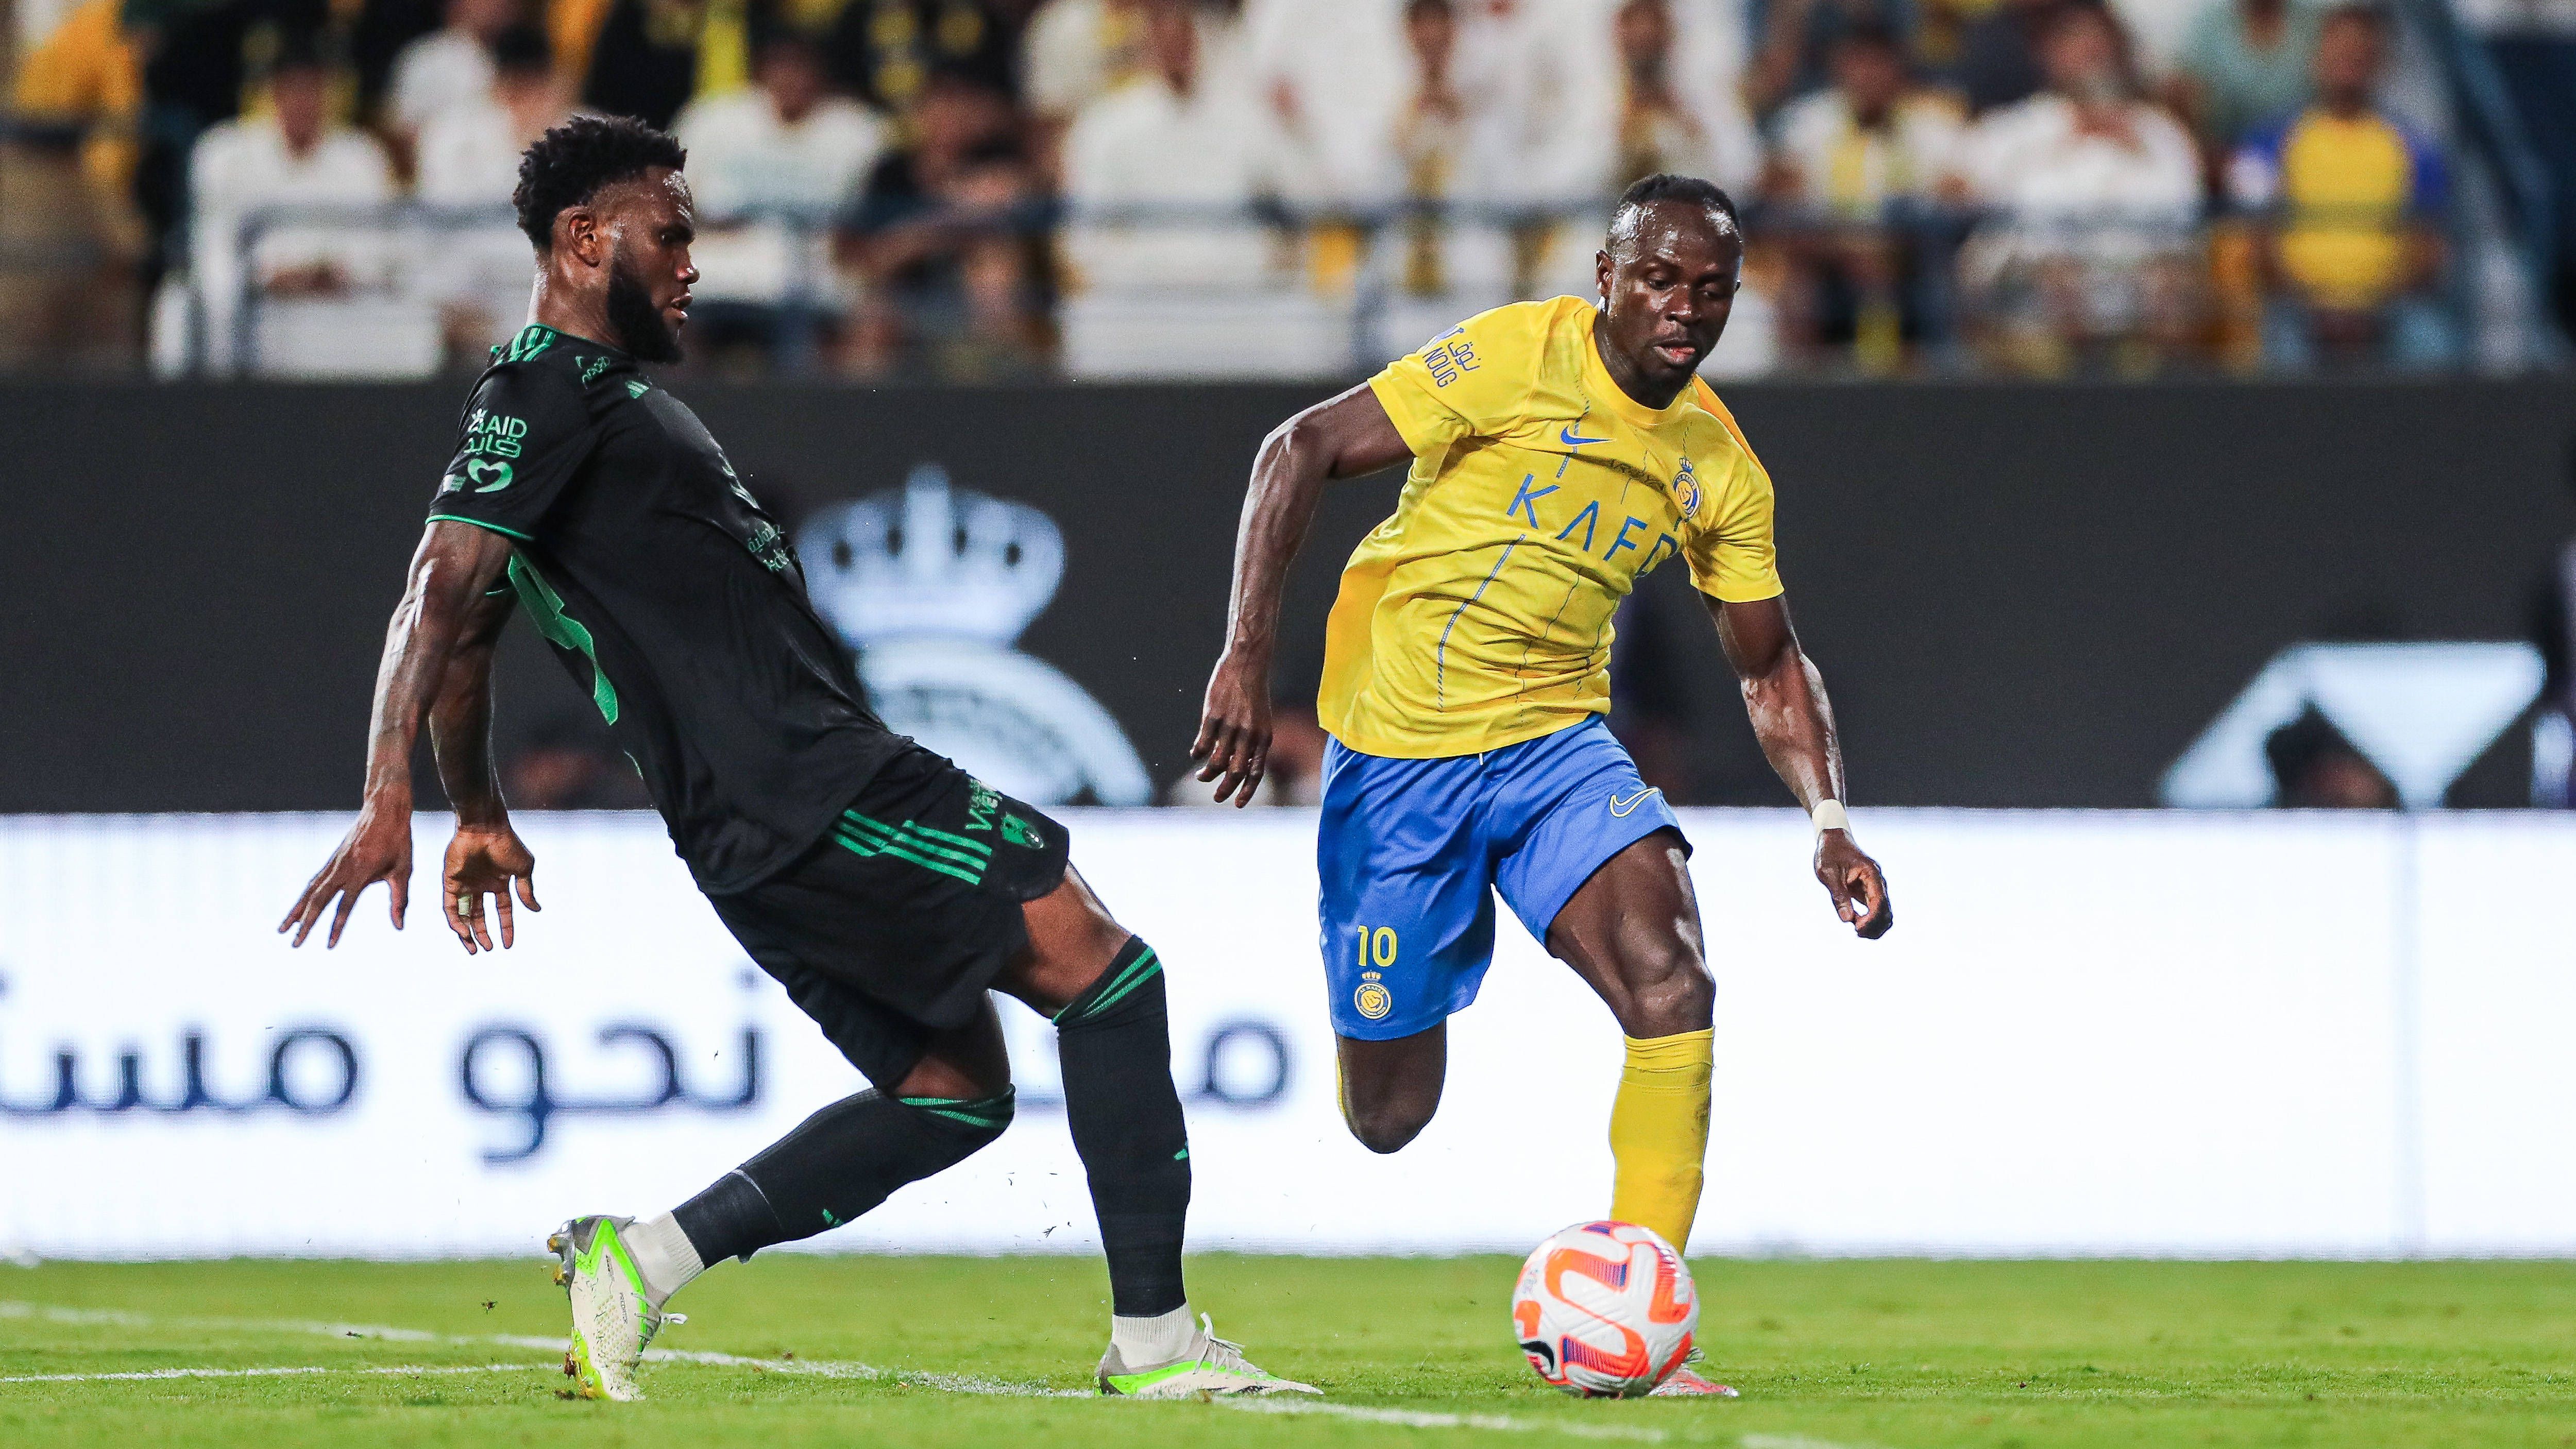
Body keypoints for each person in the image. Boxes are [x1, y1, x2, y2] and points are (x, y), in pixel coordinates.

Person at [277, 114, 1313, 1405]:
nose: (690, 261)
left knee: (951, 1090)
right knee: (1109, 975)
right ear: (585, 238)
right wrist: (392, 797)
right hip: (814, 788)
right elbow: (437, 591)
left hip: (754, 820)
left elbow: (474, 640)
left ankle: (641, 1257)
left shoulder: (597, 409)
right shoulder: (541, 390)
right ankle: (1155, 1341)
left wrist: (478, 806)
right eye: (671, 233)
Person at [1191, 173, 1894, 1397]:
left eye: (1711, 289)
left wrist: (1828, 819)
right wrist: (1246, 655)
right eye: (1663, 279)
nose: (1686, 307)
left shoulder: (1716, 465)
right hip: (1398, 761)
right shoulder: (1519, 352)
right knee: (1388, 1115)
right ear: (1609, 279)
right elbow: (1296, 446)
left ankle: (1644, 1310)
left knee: (1674, 977)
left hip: (1553, 748)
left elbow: (1770, 660)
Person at [2227, 2, 2451, 370]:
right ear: (2316, 57)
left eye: (2360, 53)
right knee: (2276, 341)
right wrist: (2317, 306)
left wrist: (2368, 309)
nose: (2349, 62)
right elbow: (2256, 243)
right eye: (2339, 51)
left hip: (2388, 310)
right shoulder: (2270, 143)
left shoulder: (2416, 147)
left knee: (2430, 340)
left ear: (2379, 63)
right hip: (2299, 310)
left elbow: (2429, 251)